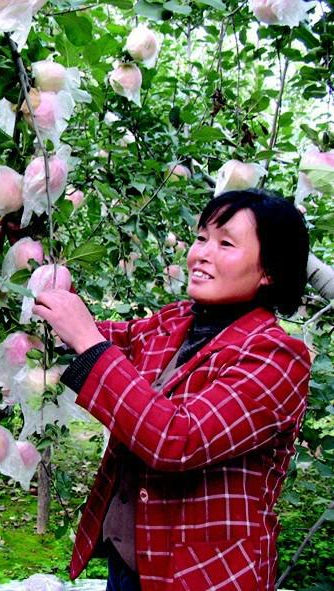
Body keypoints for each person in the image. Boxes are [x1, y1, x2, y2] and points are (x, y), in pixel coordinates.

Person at [33, 190, 311, 591]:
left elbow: (178, 438)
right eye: (201, 238)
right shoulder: (178, 321)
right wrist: (33, 267)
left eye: (226, 243)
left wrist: (87, 342)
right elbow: (112, 339)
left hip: (203, 575)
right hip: (131, 563)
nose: (201, 254)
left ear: (269, 270)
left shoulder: (276, 358)